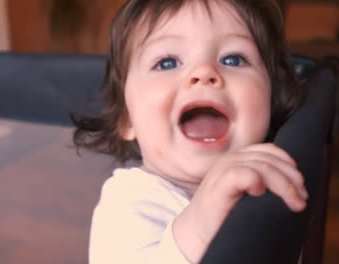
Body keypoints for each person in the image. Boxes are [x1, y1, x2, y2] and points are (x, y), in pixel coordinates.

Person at [73, 0, 308, 263]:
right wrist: (204, 215)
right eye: (167, 62)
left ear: (271, 100)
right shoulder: (129, 201)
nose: (204, 72)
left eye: (233, 59)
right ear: (128, 119)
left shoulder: (270, 184)